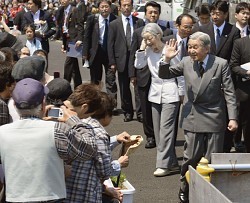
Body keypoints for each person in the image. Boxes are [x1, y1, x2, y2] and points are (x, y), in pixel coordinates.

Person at [158, 32, 238, 202]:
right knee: (191, 157)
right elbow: (165, 74)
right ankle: (185, 186)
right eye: (189, 47)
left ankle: (212, 193)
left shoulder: (220, 64)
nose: (191, 50)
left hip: (214, 116)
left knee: (212, 159)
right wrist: (166, 59)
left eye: (195, 47)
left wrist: (233, 118)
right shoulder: (186, 62)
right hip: (193, 116)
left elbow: (230, 92)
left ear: (207, 48)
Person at [0, 78, 98, 202]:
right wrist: (73, 120)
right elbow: (89, 149)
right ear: (43, 104)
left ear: (14, 105)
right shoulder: (56, 129)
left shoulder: (2, 132)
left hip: (15, 198)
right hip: (50, 198)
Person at [134, 23, 180, 177]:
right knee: (159, 132)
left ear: (158, 35)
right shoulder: (146, 50)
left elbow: (179, 73)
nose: (149, 42)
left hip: (170, 92)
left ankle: (163, 165)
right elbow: (138, 65)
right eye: (146, 39)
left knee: (166, 130)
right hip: (154, 93)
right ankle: (172, 163)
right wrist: (141, 48)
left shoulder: (169, 49)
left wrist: (181, 93)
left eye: (150, 39)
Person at [195, 0, 240, 153]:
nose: (214, 16)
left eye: (218, 14)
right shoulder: (202, 29)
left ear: (226, 14)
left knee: (226, 113)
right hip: (206, 78)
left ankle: (225, 148)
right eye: (213, 13)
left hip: (226, 78)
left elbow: (234, 58)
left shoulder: (233, 31)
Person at [128, 1, 173, 148]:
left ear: (159, 14)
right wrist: (132, 75)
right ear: (145, 14)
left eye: (155, 12)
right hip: (143, 75)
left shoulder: (167, 32)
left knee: (161, 108)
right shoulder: (138, 32)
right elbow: (133, 55)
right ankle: (150, 136)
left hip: (162, 78)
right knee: (145, 108)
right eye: (150, 12)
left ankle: (163, 136)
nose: (153, 14)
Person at [108, 0, 144, 122]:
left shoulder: (139, 22)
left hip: (136, 58)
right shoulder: (114, 24)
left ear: (132, 7)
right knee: (124, 88)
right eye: (124, 5)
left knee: (138, 87)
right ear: (120, 7)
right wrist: (112, 62)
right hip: (121, 59)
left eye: (129, 5)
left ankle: (140, 113)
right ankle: (128, 112)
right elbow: (110, 44)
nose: (127, 8)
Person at [82, 0, 117, 110]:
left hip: (109, 54)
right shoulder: (92, 19)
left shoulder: (115, 20)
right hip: (96, 53)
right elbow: (87, 37)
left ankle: (112, 104)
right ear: (99, 8)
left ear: (110, 8)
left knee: (110, 80)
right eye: (102, 7)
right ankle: (95, 103)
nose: (104, 9)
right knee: (95, 80)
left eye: (106, 7)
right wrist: (85, 53)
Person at [57, 0, 87, 89]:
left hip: (74, 40)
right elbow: (62, 27)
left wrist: (80, 39)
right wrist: (63, 43)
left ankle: (65, 85)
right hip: (67, 39)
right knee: (74, 66)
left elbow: (80, 24)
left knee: (68, 63)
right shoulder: (61, 10)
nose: (63, 1)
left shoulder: (75, 10)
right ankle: (79, 86)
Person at [230, 35, 250, 153]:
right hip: (245, 91)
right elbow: (233, 65)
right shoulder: (240, 43)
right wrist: (247, 72)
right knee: (246, 124)